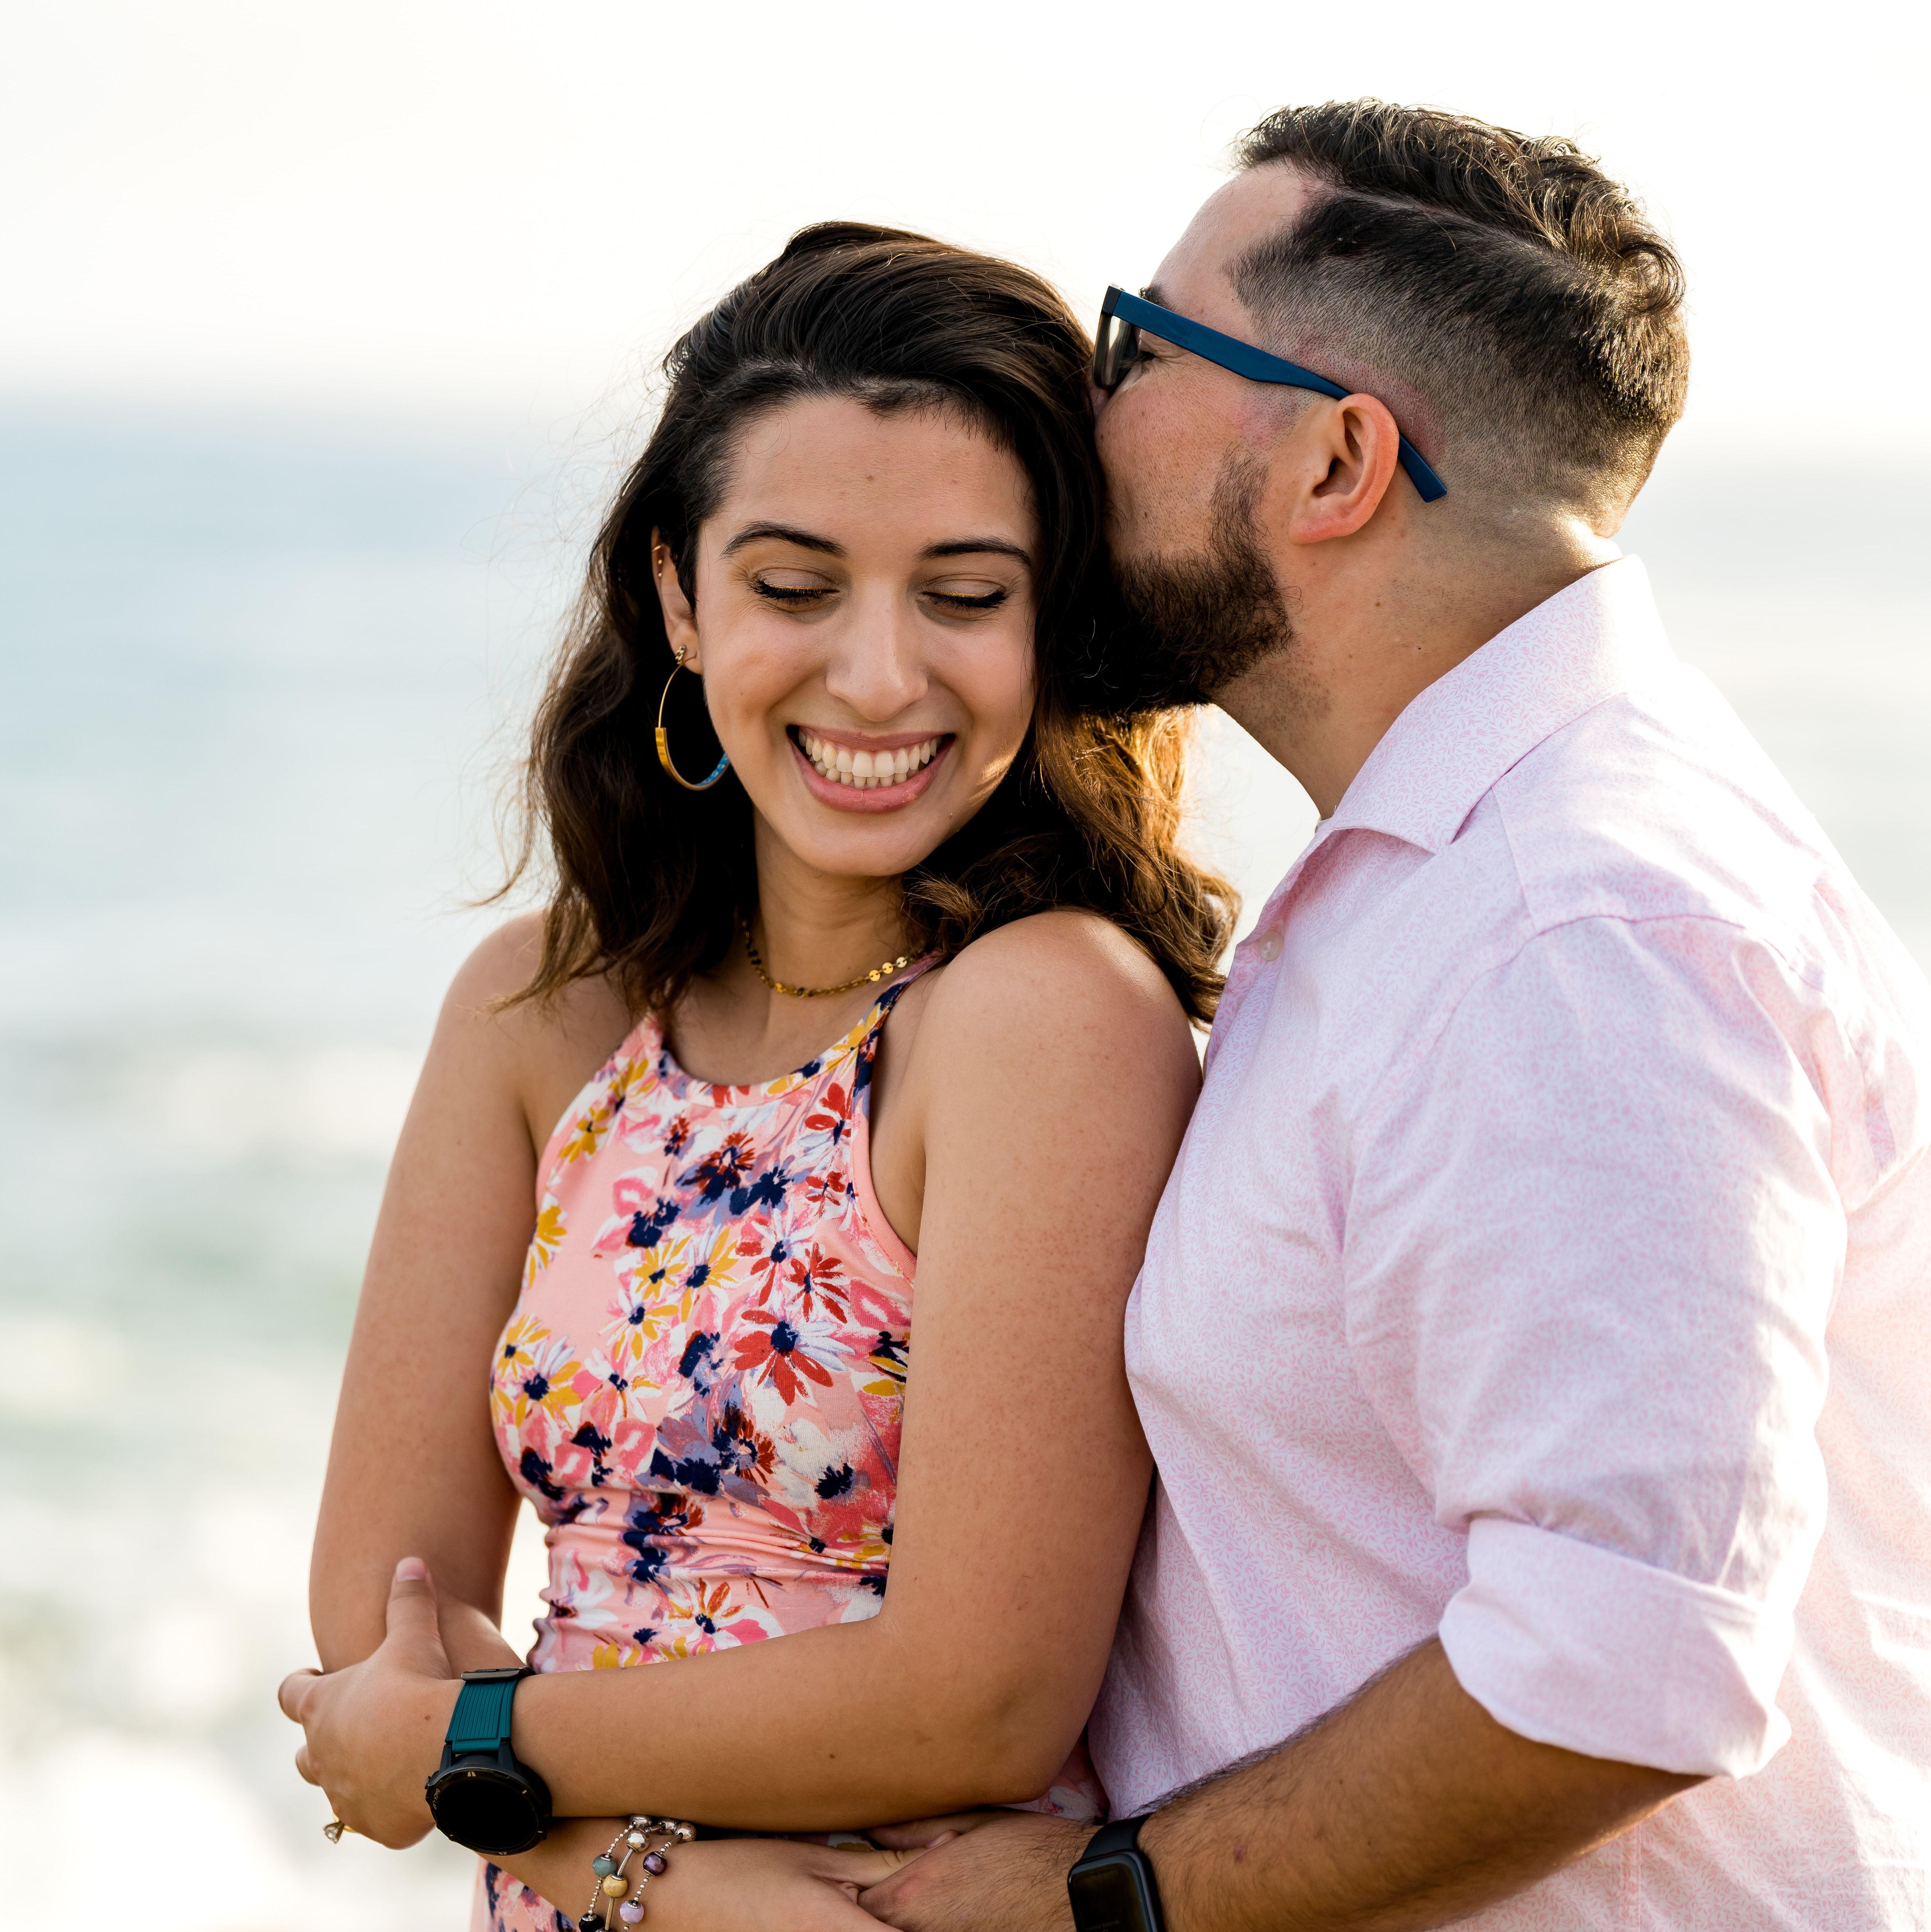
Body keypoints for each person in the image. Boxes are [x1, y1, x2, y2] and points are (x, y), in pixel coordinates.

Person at [858, 100, 1931, 1931]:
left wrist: (1107, 1897)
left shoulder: (1576, 927)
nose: (1073, 415)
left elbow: (1622, 1676)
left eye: (1138, 347)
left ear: (1338, 461)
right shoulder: (1458, 871)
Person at [278, 223, 1236, 1931]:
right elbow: (381, 1618)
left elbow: (976, 1693)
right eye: (795, 586)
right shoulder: (542, 1008)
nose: (879, 675)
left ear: (1052, 619)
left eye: (965, 594)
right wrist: (636, 1873)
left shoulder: (1044, 1019)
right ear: (678, 591)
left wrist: (473, 1757)